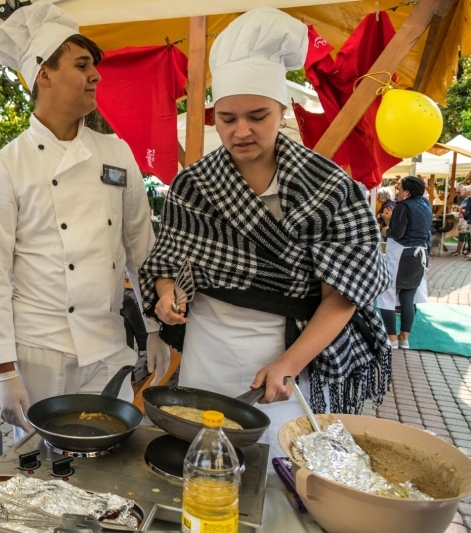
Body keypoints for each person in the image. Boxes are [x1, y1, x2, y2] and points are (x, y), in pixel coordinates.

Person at [139, 7, 392, 460]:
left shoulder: (331, 186)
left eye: (257, 115)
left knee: (279, 465)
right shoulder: (192, 185)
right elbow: (167, 265)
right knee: (203, 459)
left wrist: (289, 364)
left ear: (282, 109)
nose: (241, 131)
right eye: (227, 118)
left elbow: (344, 295)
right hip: (206, 351)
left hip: (289, 352)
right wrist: (166, 295)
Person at [0, 3, 170, 440]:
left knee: (106, 457)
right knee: (40, 472)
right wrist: (4, 372)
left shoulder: (116, 153)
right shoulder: (5, 168)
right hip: (40, 353)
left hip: (107, 344)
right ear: (44, 74)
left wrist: (155, 329)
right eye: (82, 65)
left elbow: (142, 246)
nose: (96, 76)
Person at [378, 177, 433, 348]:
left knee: (387, 295)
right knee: (408, 297)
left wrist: (387, 229)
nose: (398, 191)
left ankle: (392, 338)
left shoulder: (403, 206)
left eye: (400, 188)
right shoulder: (425, 204)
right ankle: (404, 337)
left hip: (402, 255)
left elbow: (398, 233)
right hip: (419, 255)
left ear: (407, 192)